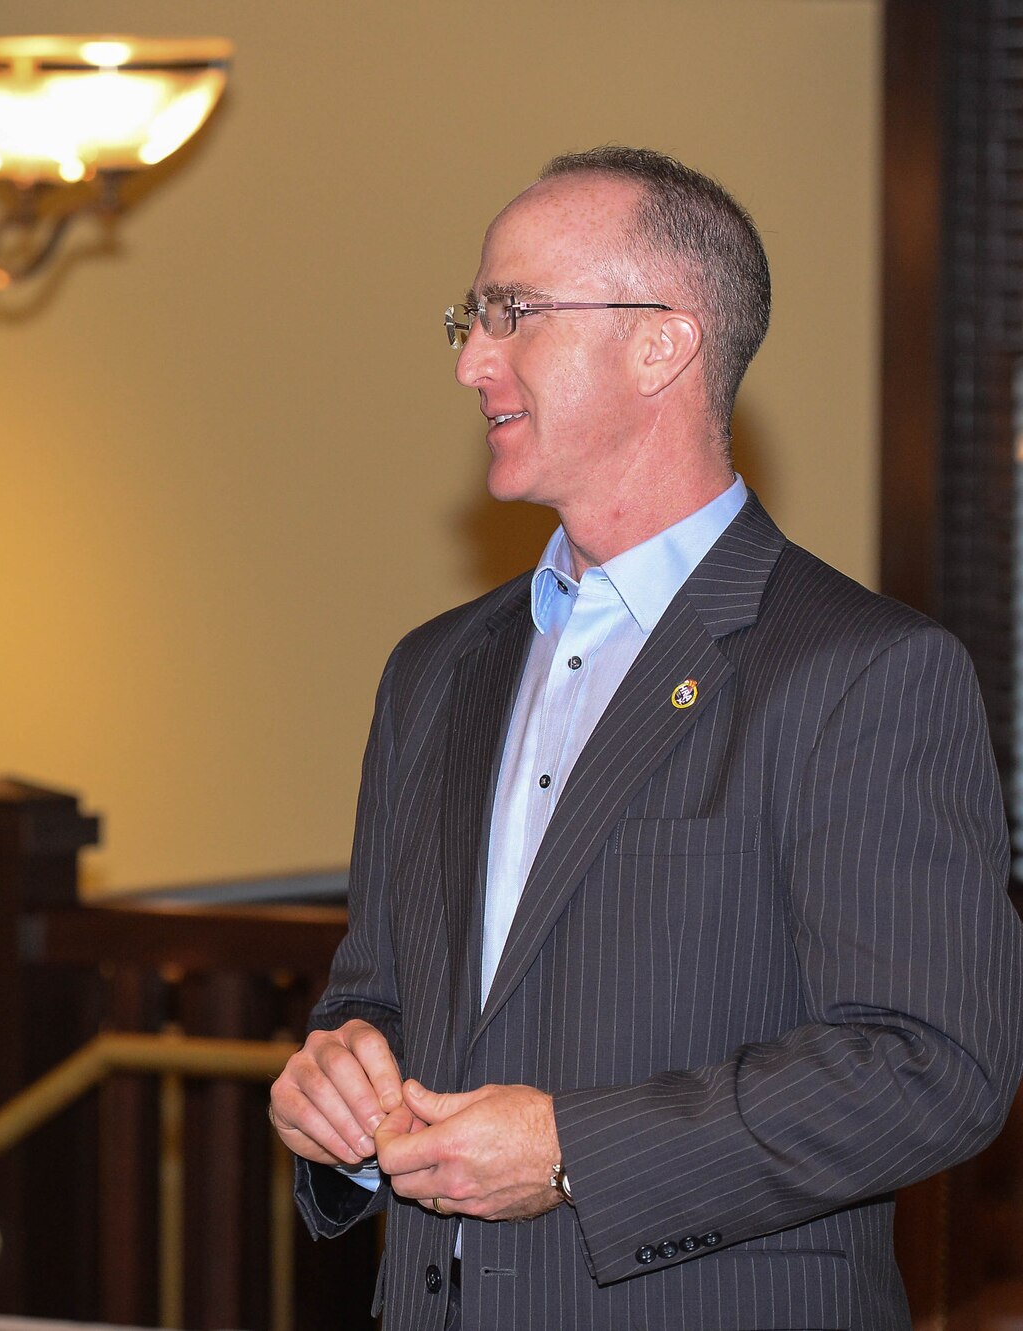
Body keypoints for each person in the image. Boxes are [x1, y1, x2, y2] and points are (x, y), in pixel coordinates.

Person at [269, 146, 1023, 1330]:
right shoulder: (431, 673)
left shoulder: (862, 669)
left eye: (511, 314)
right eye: (470, 319)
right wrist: (336, 1088)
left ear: (660, 341)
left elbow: (931, 1067)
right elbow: (376, 998)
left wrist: (575, 1151)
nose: (471, 361)